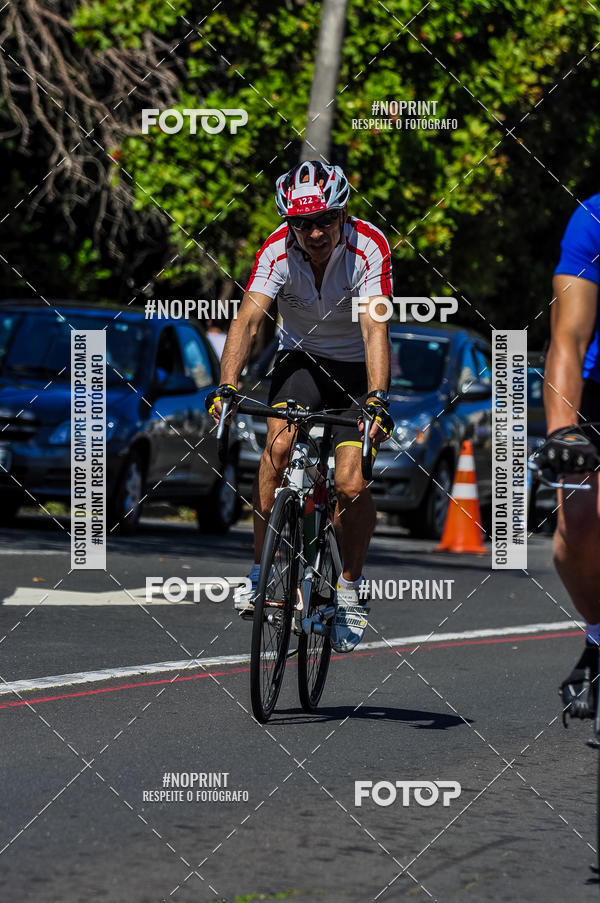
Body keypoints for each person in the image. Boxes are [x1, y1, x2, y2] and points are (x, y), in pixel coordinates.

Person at [206, 160, 394, 653]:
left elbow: (376, 327)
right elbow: (248, 320)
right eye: (302, 224)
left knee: (351, 482)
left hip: (355, 370)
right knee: (279, 446)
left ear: (343, 214)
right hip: (301, 364)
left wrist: (376, 399)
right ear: (288, 223)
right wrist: (227, 385)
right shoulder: (276, 250)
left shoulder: (369, 246)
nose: (314, 233)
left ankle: (349, 589)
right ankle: (260, 569)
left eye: (325, 221)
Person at [536, 192, 600, 717]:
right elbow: (569, 338)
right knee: (576, 524)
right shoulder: (594, 216)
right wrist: (564, 435)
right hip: (599, 385)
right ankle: (597, 638)